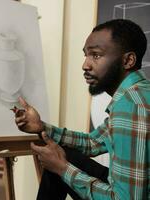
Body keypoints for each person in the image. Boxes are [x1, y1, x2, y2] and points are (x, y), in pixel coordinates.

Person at [14, 19, 149, 199]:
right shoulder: (139, 93)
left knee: (60, 164)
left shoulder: (131, 107)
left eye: (96, 55)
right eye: (86, 55)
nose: (85, 65)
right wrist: (42, 127)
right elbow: (92, 143)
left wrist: (62, 169)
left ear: (128, 60)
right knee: (66, 155)